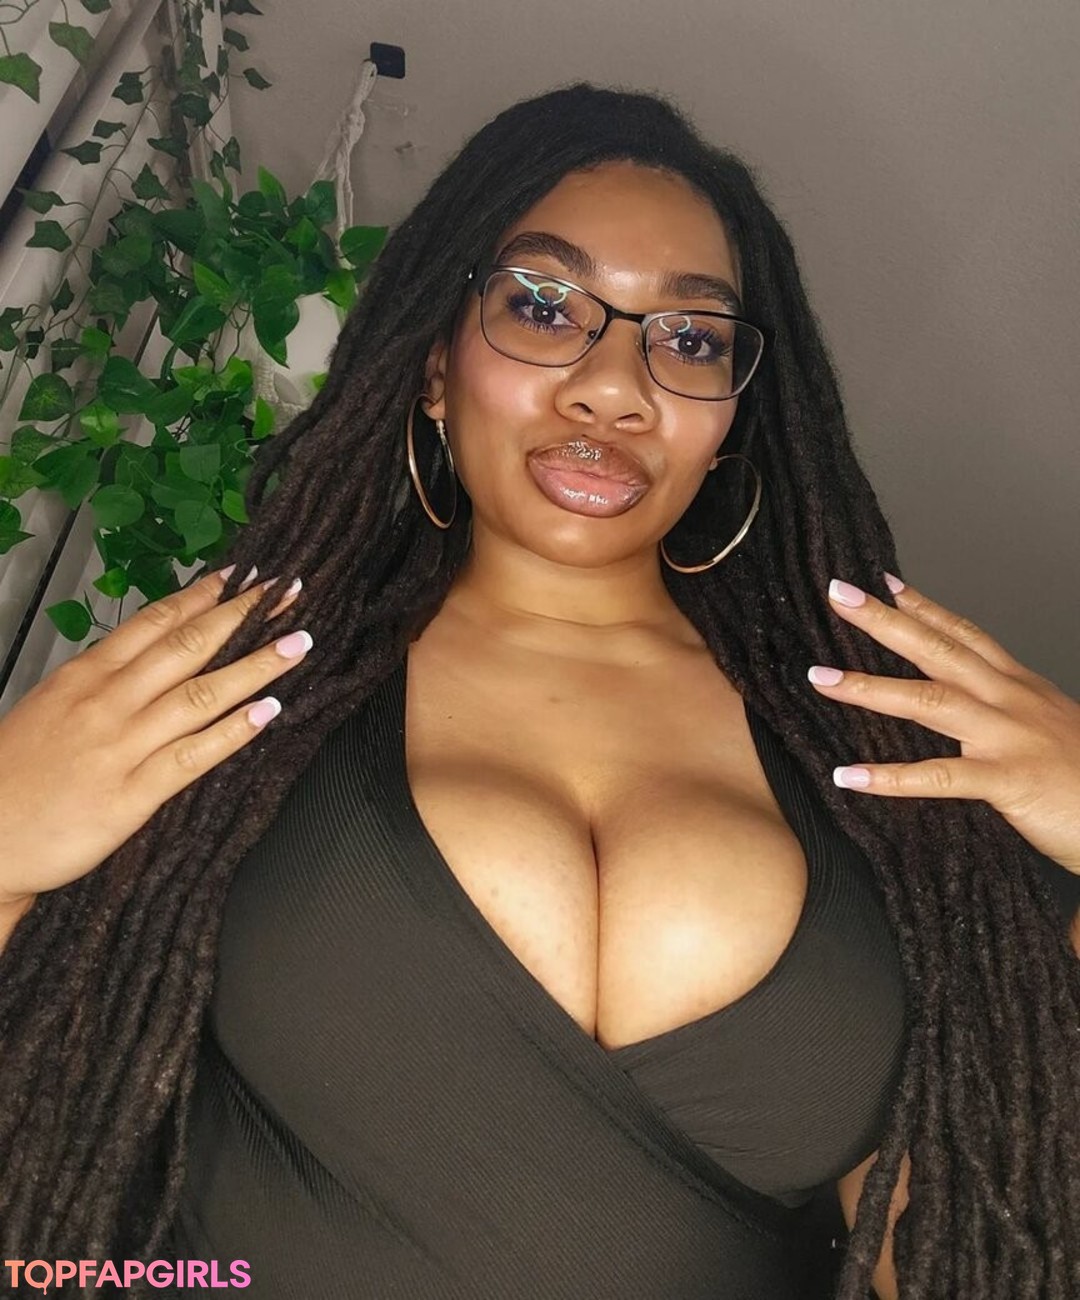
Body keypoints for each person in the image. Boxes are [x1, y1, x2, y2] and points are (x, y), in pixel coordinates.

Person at [1, 83, 1079, 1300]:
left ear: (731, 421)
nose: (614, 386)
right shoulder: (238, 694)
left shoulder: (878, 764)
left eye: (690, 339)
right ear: (433, 365)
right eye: (544, 306)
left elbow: (962, 1233)